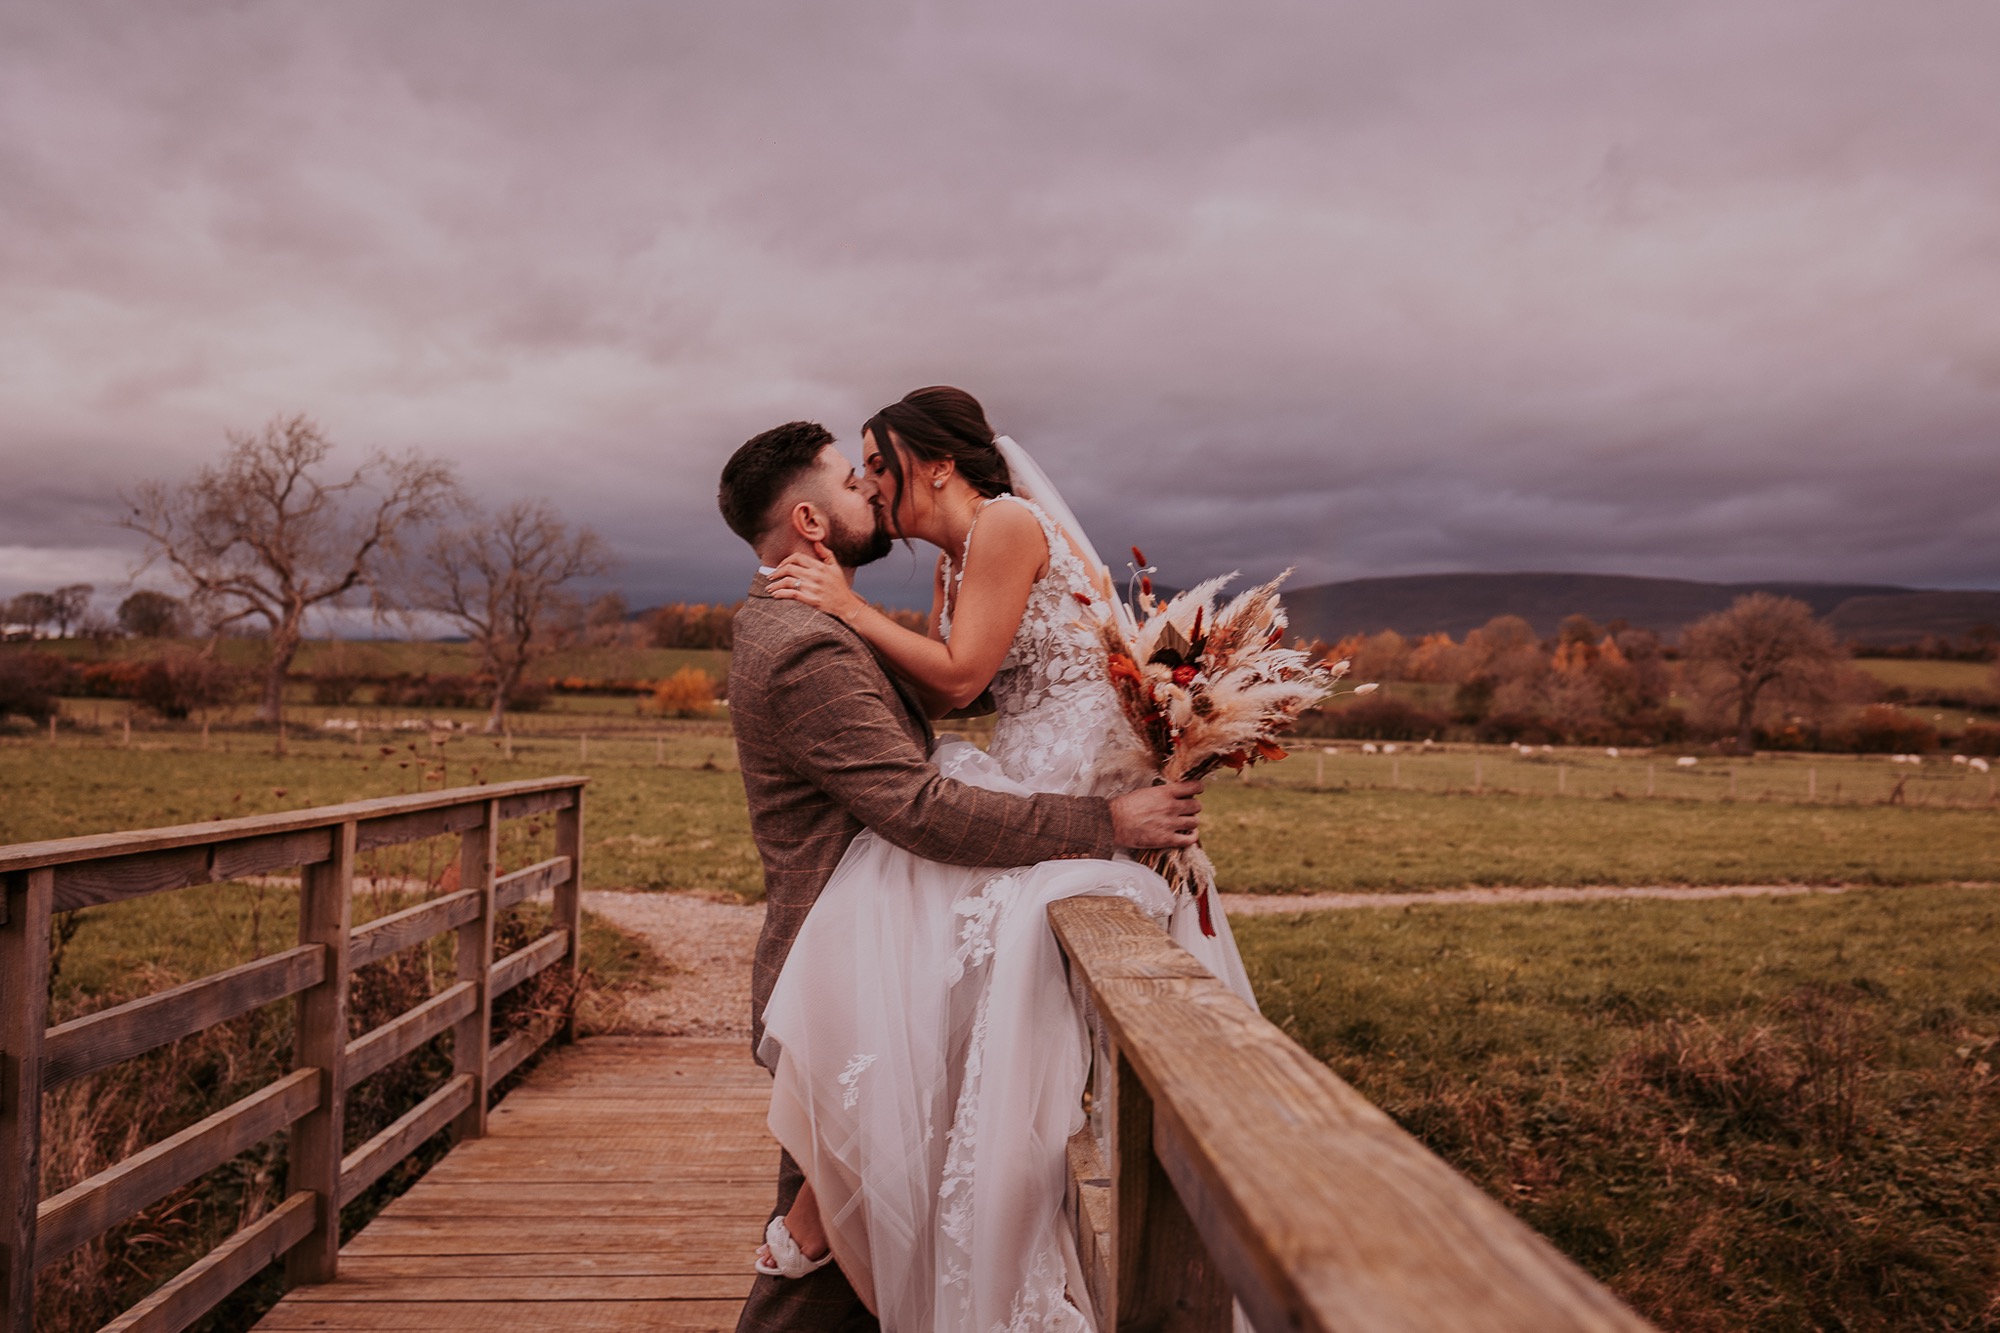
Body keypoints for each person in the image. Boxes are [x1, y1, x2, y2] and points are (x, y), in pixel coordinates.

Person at [754, 389, 1258, 1331]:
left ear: (933, 462)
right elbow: (952, 699)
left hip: (1072, 786)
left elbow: (957, 675)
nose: (865, 482)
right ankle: (853, 1187)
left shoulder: (1007, 523)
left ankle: (834, 1197)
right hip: (1029, 778)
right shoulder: (955, 559)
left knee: (936, 910)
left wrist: (845, 605)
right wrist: (855, 621)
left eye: (875, 461)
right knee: (910, 910)